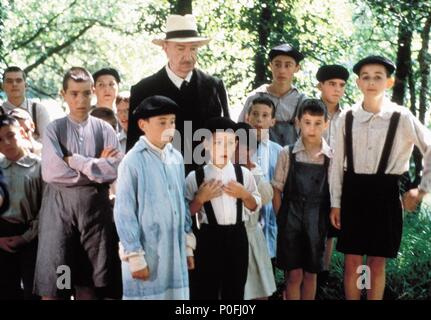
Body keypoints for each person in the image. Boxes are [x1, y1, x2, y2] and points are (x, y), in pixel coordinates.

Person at [329, 55, 431, 300]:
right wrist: (335, 202)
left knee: (376, 261)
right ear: (358, 83)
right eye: (366, 77)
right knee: (353, 260)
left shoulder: (401, 116)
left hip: (385, 193)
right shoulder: (348, 117)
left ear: (389, 82)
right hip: (353, 191)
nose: (372, 82)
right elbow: (335, 163)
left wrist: (422, 189)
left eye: (378, 77)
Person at [33, 67, 123, 300]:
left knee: (89, 285)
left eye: (85, 93)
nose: (80, 99)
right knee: (58, 283)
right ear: (63, 94)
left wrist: (74, 160)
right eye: (74, 93)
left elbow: (113, 170)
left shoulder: (104, 129)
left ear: (92, 92)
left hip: (94, 214)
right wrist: (95, 168)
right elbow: (52, 172)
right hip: (60, 213)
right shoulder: (55, 128)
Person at [114, 95, 195, 300]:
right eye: (162, 122)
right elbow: (124, 212)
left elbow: (182, 203)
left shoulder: (176, 157)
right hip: (147, 251)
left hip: (174, 249)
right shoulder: (132, 161)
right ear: (143, 125)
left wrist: (186, 246)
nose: (169, 127)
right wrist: (134, 255)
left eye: (172, 122)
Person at [126, 14, 229, 173]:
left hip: (209, 181)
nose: (187, 56)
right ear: (165, 48)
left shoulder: (214, 86)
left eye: (193, 48)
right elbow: (134, 148)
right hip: (161, 181)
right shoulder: (143, 90)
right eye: (180, 48)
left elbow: (226, 138)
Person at [185, 117, 261, 300]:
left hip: (237, 237)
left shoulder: (244, 174)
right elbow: (184, 214)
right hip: (208, 238)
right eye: (218, 142)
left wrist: (244, 195)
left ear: (235, 144)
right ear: (206, 144)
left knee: (235, 288)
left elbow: (254, 205)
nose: (224, 148)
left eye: (229, 142)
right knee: (206, 287)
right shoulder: (195, 177)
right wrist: (200, 199)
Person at [272, 99, 332, 300]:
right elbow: (277, 190)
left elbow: (334, 193)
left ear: (326, 123)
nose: (312, 128)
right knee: (294, 274)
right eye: (307, 122)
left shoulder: (331, 157)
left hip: (317, 220)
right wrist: (282, 218)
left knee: (310, 273)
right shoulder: (287, 153)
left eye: (317, 123)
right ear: (298, 122)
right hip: (291, 218)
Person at [0, 115, 41, 300]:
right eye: (0, 140)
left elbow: (46, 210)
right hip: (2, 236)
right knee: (6, 289)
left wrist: (25, 238)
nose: (6, 143)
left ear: (23, 133)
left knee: (32, 291)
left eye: (11, 135)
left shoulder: (40, 167)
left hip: (32, 236)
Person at [315, 64, 349, 285]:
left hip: (338, 176)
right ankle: (308, 269)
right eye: (331, 84)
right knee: (313, 223)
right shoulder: (310, 111)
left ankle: (323, 272)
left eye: (341, 85)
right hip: (313, 173)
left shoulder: (347, 116)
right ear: (320, 86)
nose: (337, 89)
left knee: (331, 227)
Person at [234, 122, 276, 300]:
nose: (238, 153)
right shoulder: (219, 172)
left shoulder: (254, 172)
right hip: (229, 236)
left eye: (245, 148)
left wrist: (252, 173)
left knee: (258, 290)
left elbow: (266, 196)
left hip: (251, 236)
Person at [238, 44, 307, 146]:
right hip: (256, 157)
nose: (282, 70)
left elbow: (308, 138)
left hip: (289, 158)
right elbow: (240, 132)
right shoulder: (255, 97)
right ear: (270, 66)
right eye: (277, 65)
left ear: (297, 68)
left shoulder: (302, 101)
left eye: (288, 65)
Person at [244, 96, 282, 271]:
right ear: (247, 117)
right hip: (246, 218)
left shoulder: (278, 151)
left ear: (273, 121)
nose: (259, 119)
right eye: (255, 114)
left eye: (265, 115)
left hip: (270, 218)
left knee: (268, 271)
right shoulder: (238, 149)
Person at [1, 66, 58, 141]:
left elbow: (48, 140)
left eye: (18, 80)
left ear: (26, 85)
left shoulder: (38, 110)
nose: (14, 84)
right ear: (3, 86)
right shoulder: (0, 112)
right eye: (9, 81)